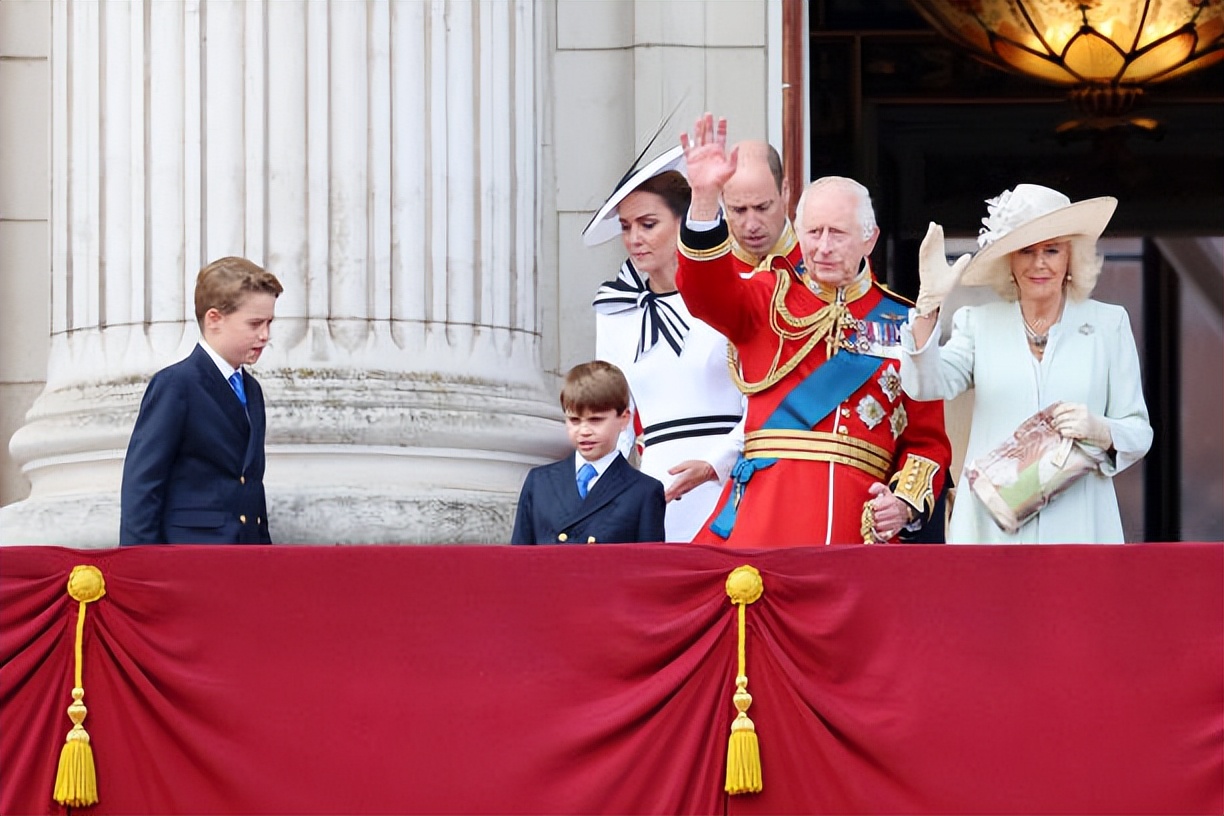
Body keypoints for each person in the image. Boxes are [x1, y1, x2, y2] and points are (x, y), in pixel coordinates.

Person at [675, 113, 952, 547]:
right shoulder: (766, 295)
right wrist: (705, 200)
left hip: (858, 530)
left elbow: (927, 441)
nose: (822, 247)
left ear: (870, 239)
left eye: (837, 233)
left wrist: (903, 503)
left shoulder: (904, 321)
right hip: (765, 522)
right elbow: (703, 292)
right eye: (813, 232)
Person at [901, 183, 1153, 543]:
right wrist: (926, 310)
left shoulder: (1108, 324)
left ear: (1070, 257)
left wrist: (1100, 429)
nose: (1039, 263)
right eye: (1026, 251)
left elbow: (1139, 432)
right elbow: (926, 384)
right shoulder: (978, 322)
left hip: (1079, 523)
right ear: (1009, 261)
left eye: (1052, 250)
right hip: (990, 526)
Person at [585, 144, 745, 542]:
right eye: (626, 227)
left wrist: (714, 464)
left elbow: (761, 403)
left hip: (734, 480)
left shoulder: (736, 291)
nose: (634, 238)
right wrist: (607, 498)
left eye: (648, 223)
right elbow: (614, 416)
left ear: (683, 221)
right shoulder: (615, 309)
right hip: (656, 486)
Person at [120, 257, 282, 545]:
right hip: (190, 555)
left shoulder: (252, 390)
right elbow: (142, 486)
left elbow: (251, 486)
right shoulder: (176, 384)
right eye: (255, 323)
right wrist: (140, 571)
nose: (265, 335)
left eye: (269, 322)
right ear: (214, 319)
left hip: (246, 557)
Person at [510, 361, 666, 545]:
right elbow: (519, 560)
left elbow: (648, 569)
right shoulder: (539, 482)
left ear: (624, 419)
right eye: (574, 420)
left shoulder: (644, 492)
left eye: (596, 420)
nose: (584, 430)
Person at [721, 140, 802, 272]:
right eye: (739, 210)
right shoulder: (710, 268)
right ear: (722, 198)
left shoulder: (818, 265)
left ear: (785, 191)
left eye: (762, 208)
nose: (751, 226)